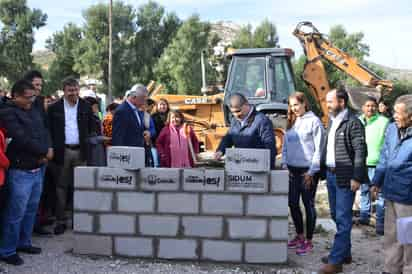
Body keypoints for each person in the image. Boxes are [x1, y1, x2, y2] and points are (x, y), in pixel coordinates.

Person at [0, 80, 50, 265]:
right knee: (15, 212)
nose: (31, 100)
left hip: (38, 168)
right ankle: (7, 250)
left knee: (31, 209)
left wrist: (48, 148)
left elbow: (43, 130)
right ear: (16, 96)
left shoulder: (34, 109)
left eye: (33, 97)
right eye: (28, 97)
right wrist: (43, 152)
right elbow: (21, 138)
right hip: (20, 170)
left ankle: (24, 242)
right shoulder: (7, 112)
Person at [319, 87, 367, 274]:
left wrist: (357, 177)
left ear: (342, 102)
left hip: (346, 177)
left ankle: (336, 261)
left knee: (343, 218)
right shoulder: (332, 121)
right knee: (335, 215)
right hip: (331, 175)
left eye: (330, 101)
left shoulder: (353, 123)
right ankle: (344, 253)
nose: (327, 105)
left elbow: (360, 152)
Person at [47, 77, 96, 235]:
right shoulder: (54, 107)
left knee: (80, 186)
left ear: (78, 90)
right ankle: (61, 220)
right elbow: (48, 130)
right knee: (61, 187)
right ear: (64, 91)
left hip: (81, 151)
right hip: (62, 152)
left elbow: (93, 127)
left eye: (75, 90)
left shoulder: (85, 106)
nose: (73, 93)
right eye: (69, 90)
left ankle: (79, 220)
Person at [371, 94, 412, 274]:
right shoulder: (392, 129)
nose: (394, 115)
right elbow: (384, 156)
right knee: (391, 236)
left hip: (408, 198)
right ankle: (391, 269)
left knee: (408, 239)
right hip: (391, 192)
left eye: (398, 112)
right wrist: (376, 182)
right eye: (394, 111)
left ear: (411, 115)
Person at [282, 92, 324, 255]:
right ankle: (299, 236)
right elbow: (285, 146)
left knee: (308, 205)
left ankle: (309, 241)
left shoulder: (314, 122)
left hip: (308, 172)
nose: (294, 108)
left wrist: (312, 171)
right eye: (292, 105)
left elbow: (319, 149)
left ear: (304, 103)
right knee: (292, 204)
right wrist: (285, 164)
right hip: (292, 171)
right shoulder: (292, 121)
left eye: (297, 104)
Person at [23, 70, 54, 235]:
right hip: (28, 159)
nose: (39, 88)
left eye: (41, 85)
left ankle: (34, 226)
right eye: (36, 85)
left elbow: (44, 128)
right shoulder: (20, 106)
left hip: (43, 156)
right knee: (23, 201)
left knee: (37, 196)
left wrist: (48, 149)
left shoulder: (41, 103)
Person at [214, 93, 276, 169]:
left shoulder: (262, 121)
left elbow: (270, 146)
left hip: (258, 168)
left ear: (246, 104)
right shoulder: (235, 121)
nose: (236, 115)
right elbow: (229, 137)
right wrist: (220, 150)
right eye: (232, 112)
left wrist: (269, 169)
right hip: (241, 166)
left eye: (238, 111)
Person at [358, 97, 389, 235]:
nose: (370, 108)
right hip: (362, 163)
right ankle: (364, 217)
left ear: (376, 107)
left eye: (373, 106)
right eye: (367, 105)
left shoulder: (384, 122)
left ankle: (380, 224)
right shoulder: (358, 121)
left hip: (379, 165)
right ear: (363, 107)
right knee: (364, 191)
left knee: (380, 194)